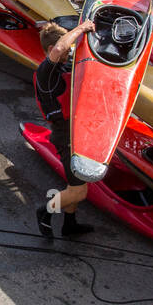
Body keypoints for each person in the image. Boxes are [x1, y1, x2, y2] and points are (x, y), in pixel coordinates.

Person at [33, 19, 98, 238]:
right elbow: (61, 47)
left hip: (75, 132)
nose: (68, 53)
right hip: (66, 135)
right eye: (66, 50)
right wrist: (82, 28)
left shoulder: (63, 65)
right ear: (51, 49)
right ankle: (44, 212)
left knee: (74, 185)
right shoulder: (46, 73)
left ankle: (70, 225)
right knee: (79, 190)